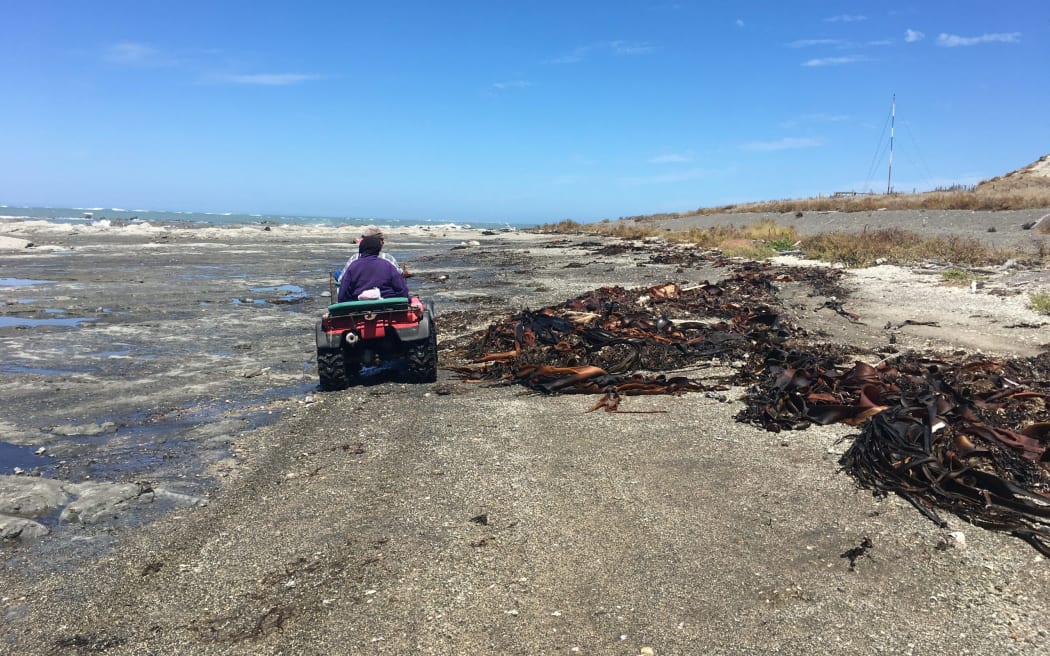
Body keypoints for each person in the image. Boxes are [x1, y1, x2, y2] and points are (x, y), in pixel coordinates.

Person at [337, 235, 410, 302]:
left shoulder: (353, 266)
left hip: (359, 306)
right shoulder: (388, 265)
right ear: (378, 249)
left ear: (361, 249)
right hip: (387, 305)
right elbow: (402, 289)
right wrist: (408, 302)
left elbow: (342, 293)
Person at [341, 225, 411, 280]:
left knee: (337, 273)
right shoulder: (387, 259)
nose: (383, 242)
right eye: (381, 240)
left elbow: (342, 279)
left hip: (356, 296)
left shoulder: (354, 259)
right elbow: (398, 275)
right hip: (384, 295)